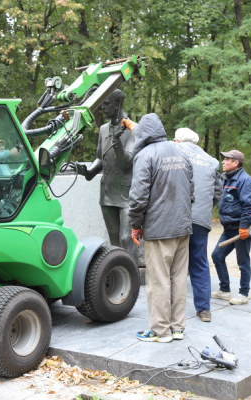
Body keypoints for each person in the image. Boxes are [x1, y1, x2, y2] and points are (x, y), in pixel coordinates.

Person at [129, 113, 194, 343]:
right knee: (178, 279)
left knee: (158, 281)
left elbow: (138, 197)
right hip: (183, 227)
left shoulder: (145, 155)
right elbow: (191, 190)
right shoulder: (181, 152)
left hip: (159, 229)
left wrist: (135, 225)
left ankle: (160, 330)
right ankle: (177, 328)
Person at [75, 89, 138, 262]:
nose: (102, 108)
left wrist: (117, 142)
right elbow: (99, 158)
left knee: (127, 237)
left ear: (117, 104)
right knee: (115, 240)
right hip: (108, 191)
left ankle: (131, 270)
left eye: (107, 103)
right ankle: (119, 271)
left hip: (126, 193)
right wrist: (88, 172)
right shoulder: (103, 129)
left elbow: (126, 163)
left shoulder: (133, 129)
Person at [174, 128, 222, 322]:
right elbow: (217, 191)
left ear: (177, 140)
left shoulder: (173, 152)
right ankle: (204, 310)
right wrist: (204, 209)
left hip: (176, 217)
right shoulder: (211, 161)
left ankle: (172, 311)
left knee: (174, 263)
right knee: (200, 263)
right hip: (201, 219)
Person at [211, 150, 251, 305]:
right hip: (229, 228)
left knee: (243, 262)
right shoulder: (225, 179)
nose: (223, 162)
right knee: (217, 255)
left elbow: (249, 206)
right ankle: (224, 290)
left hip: (240, 229)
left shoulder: (245, 180)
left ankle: (243, 294)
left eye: (226, 159)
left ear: (236, 162)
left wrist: (244, 227)